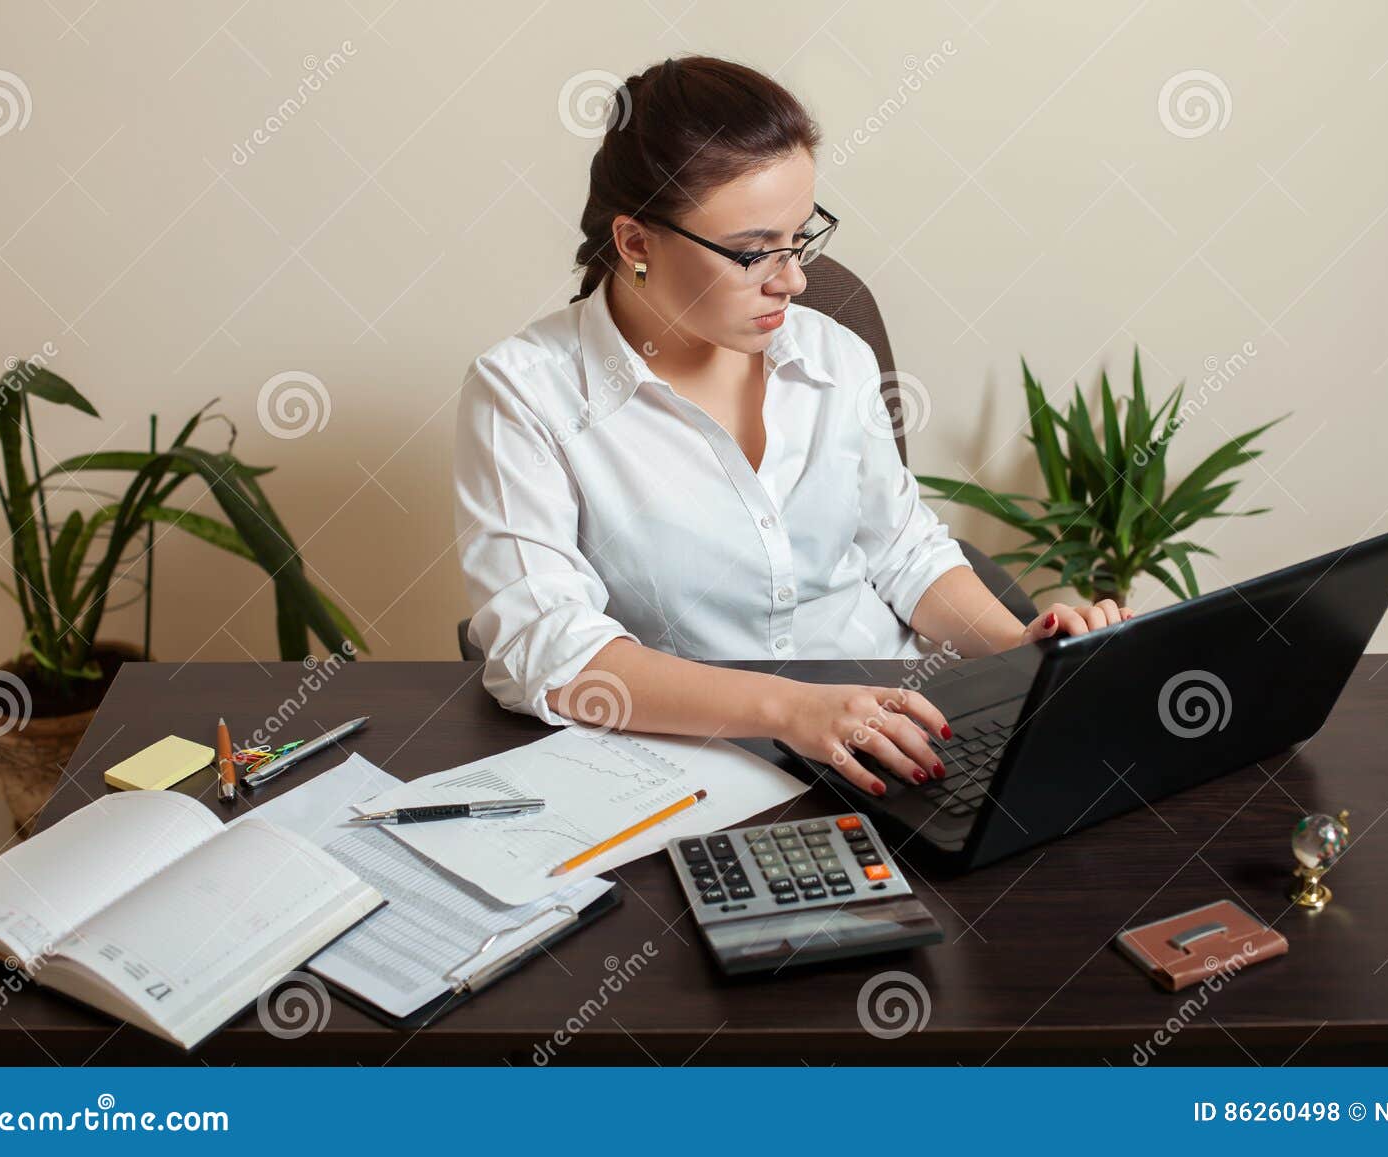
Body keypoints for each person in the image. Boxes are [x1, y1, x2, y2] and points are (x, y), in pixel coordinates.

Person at [455, 55, 1128, 799]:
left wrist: (1019, 648)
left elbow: (903, 549)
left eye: (800, 237)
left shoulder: (831, 353)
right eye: (752, 253)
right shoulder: (525, 391)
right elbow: (541, 649)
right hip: (704, 764)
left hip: (906, 728)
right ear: (636, 243)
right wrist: (789, 709)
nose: (794, 280)